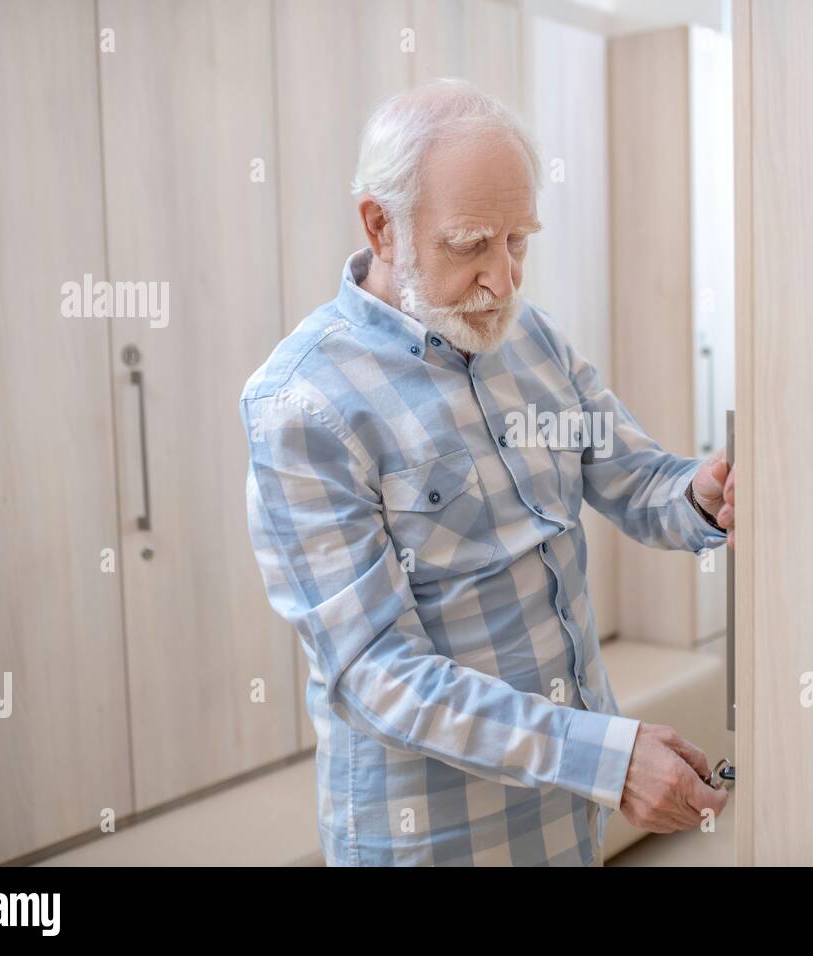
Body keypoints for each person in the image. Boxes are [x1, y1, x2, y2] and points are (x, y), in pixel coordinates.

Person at [240, 78, 736, 866]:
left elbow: (636, 479)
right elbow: (379, 673)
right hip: (433, 836)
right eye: (470, 243)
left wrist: (702, 495)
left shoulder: (529, 336)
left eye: (519, 241)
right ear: (381, 225)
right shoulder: (302, 405)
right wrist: (603, 756)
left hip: (567, 817)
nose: (503, 280)